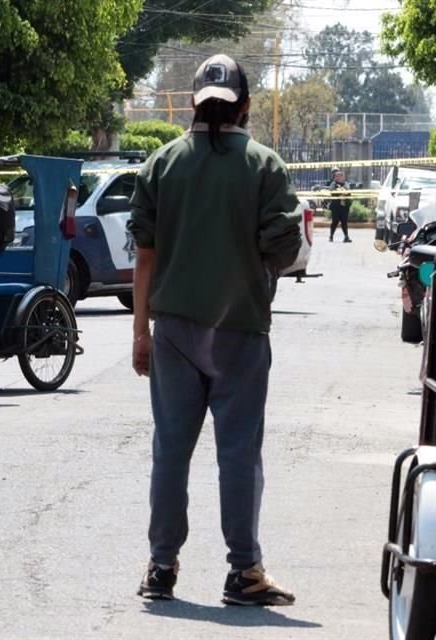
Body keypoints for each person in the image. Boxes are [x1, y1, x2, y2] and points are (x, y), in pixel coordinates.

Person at [127, 54, 301, 606]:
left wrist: (140, 332)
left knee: (170, 451)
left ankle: (160, 567)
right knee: (238, 454)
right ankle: (244, 572)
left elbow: (145, 256)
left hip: (173, 329)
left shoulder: (161, 164)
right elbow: (287, 247)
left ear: (195, 104)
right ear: (245, 106)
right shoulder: (264, 165)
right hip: (240, 330)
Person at [325, 167, 352, 243]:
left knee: (344, 221)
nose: (339, 177)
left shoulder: (346, 184)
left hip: (344, 206)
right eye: (337, 176)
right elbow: (331, 193)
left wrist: (345, 193)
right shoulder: (333, 184)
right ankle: (331, 236)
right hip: (336, 206)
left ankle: (346, 237)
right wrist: (339, 192)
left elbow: (349, 193)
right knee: (335, 221)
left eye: (340, 176)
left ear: (342, 177)